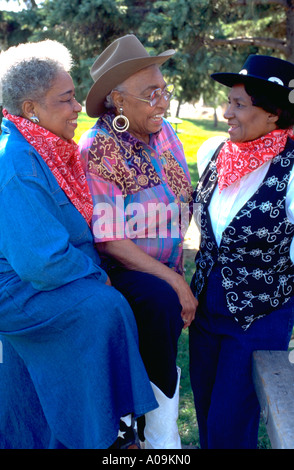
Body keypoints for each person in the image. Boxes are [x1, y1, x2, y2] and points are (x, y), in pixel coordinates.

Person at [0, 39, 158, 450]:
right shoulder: (15, 163)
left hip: (47, 278)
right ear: (32, 109)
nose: (77, 108)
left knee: (124, 300)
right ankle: (109, 435)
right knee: (104, 307)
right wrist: (95, 276)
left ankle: (98, 428)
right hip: (22, 291)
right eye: (67, 99)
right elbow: (42, 262)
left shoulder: (43, 147)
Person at [79, 34, 198, 449]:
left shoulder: (164, 134)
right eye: (151, 94)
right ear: (117, 100)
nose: (163, 102)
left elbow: (182, 198)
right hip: (122, 275)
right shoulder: (99, 149)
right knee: (160, 301)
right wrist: (177, 282)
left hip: (163, 271)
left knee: (164, 320)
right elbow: (111, 241)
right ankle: (151, 435)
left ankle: (150, 431)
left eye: (164, 90)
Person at [189, 54, 294, 449]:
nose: (226, 112)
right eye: (228, 101)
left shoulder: (292, 170)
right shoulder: (214, 153)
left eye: (239, 104)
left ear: (273, 114)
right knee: (206, 419)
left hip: (259, 316)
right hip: (204, 312)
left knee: (229, 429)